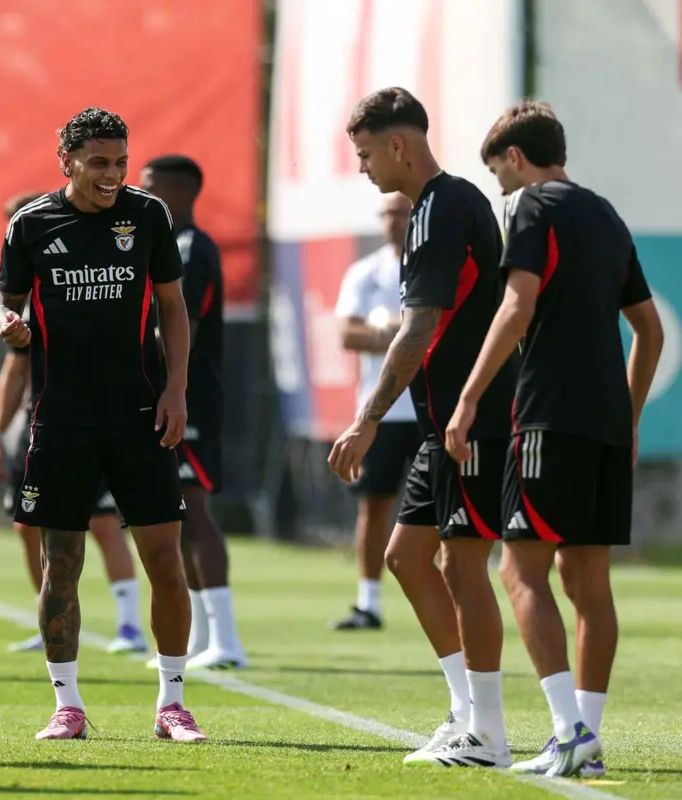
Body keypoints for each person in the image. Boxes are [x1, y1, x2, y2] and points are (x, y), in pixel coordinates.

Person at [445, 100, 663, 778]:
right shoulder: (606, 215)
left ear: (515, 158)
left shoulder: (534, 206)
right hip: (606, 424)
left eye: (498, 173)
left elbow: (518, 304)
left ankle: (568, 731)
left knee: (518, 570)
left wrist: (469, 396)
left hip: (548, 416)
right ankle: (585, 739)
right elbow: (650, 331)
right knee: (586, 580)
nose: (500, 188)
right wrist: (630, 419)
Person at [0, 107, 207, 742]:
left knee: (165, 559)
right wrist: (10, 326)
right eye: (99, 163)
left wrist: (176, 389)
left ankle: (172, 704)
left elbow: (173, 307)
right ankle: (67, 706)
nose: (113, 174)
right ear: (67, 161)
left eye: (120, 162)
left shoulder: (148, 215)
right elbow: (7, 305)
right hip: (60, 418)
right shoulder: (30, 224)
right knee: (61, 563)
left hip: (140, 415)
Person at [328, 87, 517, 768]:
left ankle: (489, 734)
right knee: (407, 558)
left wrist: (367, 419)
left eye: (365, 153)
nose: (362, 167)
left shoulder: (440, 209)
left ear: (397, 145)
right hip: (444, 425)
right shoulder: (437, 207)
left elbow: (417, 330)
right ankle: (465, 713)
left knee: (462, 565)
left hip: (473, 421)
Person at [0, 190, 147, 655]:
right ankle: (51, 619)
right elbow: (15, 367)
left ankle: (130, 625)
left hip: (93, 416)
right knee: (27, 524)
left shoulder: (79, 273)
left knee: (103, 521)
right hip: (41, 420)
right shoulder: (20, 285)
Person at [139, 156, 247, 669]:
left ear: (179, 190)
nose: (142, 194)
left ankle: (227, 640)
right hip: (172, 396)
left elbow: (182, 329)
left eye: (150, 186)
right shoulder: (168, 246)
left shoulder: (191, 249)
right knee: (176, 514)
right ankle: (202, 636)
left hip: (191, 396)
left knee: (195, 508)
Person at [329, 192, 421, 631]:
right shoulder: (366, 272)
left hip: (428, 410)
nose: (393, 222)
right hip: (381, 412)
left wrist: (393, 334)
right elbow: (348, 334)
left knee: (441, 512)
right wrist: (408, 337)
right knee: (374, 505)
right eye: (387, 214)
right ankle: (369, 603)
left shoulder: (430, 266)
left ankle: (447, 601)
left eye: (401, 213)